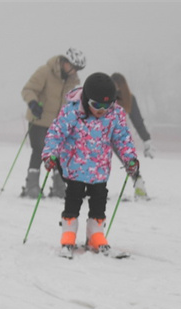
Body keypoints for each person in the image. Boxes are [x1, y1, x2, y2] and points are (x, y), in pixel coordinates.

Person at [42, 73, 140, 257]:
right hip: (75, 167)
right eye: (97, 105)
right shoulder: (72, 112)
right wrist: (50, 153)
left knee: (99, 201)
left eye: (106, 105)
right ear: (87, 99)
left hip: (99, 168)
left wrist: (130, 159)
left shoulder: (115, 114)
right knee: (73, 199)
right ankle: (68, 235)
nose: (102, 110)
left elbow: (122, 138)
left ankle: (95, 235)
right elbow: (56, 133)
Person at [21, 47, 86, 199]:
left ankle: (59, 186)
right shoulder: (45, 71)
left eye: (77, 69)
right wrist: (33, 103)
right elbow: (28, 89)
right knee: (39, 150)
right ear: (65, 62)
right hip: (39, 118)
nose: (74, 72)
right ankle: (32, 186)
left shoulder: (71, 80)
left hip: (58, 123)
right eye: (73, 67)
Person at [112, 72, 154, 200]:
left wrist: (146, 140)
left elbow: (137, 121)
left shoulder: (127, 98)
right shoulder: (108, 98)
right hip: (108, 134)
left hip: (115, 134)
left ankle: (139, 186)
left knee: (129, 161)